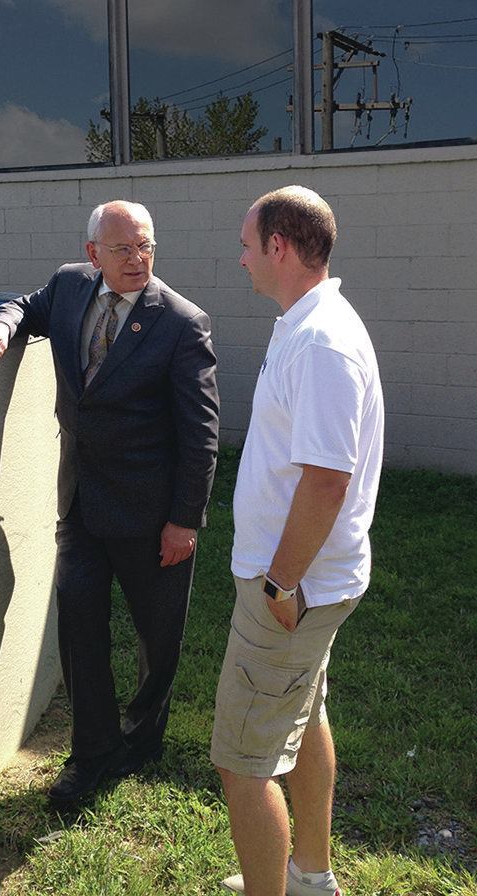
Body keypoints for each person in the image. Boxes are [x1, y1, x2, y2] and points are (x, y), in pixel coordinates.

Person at [0, 200, 220, 805]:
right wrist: (2, 326)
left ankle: (145, 732)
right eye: (123, 248)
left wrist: (184, 520)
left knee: (159, 636)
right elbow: (28, 307)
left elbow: (201, 433)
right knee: (79, 626)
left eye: (146, 246)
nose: (138, 259)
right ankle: (93, 752)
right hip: (79, 502)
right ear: (93, 252)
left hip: (151, 515)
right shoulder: (71, 287)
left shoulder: (181, 323)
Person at [211, 186, 384, 896]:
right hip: (306, 584)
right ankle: (311, 875)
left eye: (248, 244)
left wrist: (280, 582)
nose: (242, 257)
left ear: (279, 245)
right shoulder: (305, 323)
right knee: (306, 714)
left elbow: (325, 483)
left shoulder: (321, 341)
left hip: (293, 590)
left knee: (244, 763)